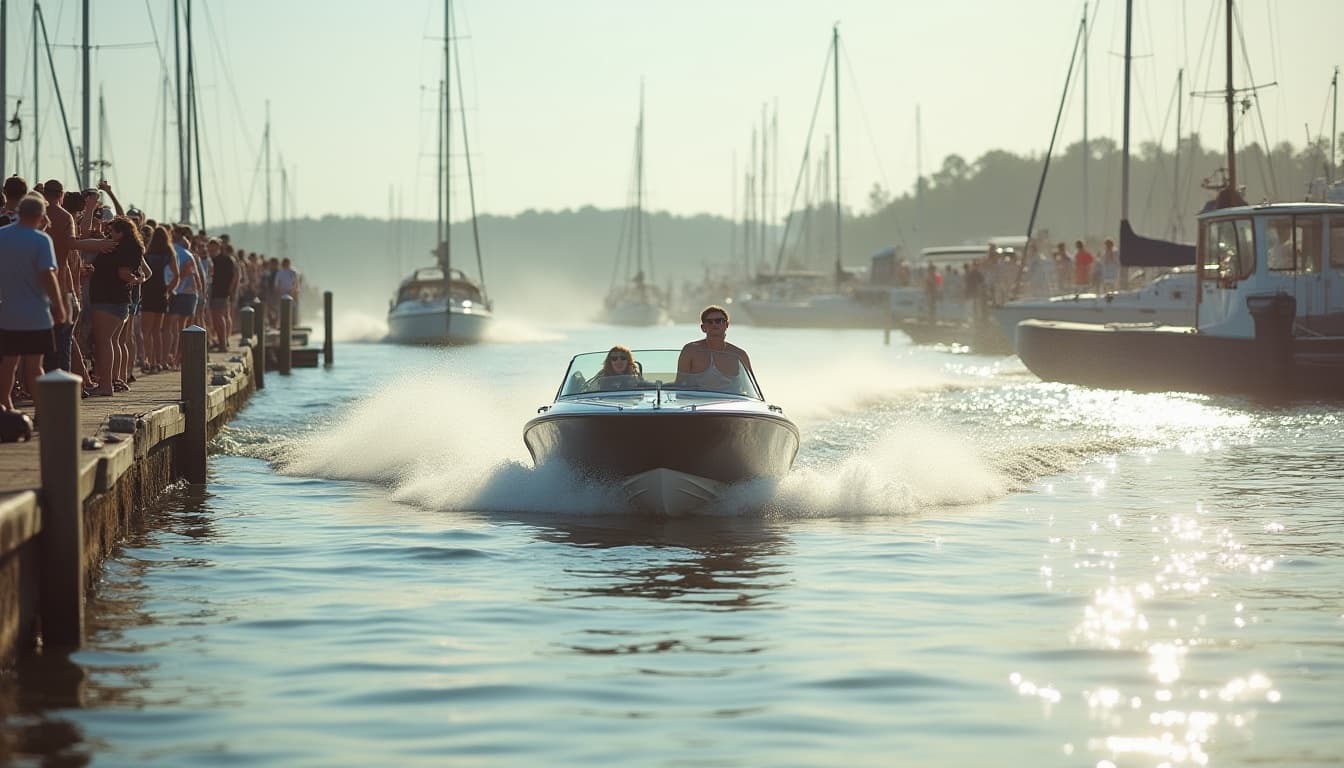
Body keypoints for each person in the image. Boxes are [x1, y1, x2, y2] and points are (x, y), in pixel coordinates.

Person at [0, 195, 67, 420]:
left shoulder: (2, 235)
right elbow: (47, 275)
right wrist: (59, 306)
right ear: (40, 216)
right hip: (36, 313)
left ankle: (5, 406)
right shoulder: (41, 240)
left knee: (8, 363)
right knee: (35, 367)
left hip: (8, 313)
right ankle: (40, 411)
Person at [676, 305, 753, 392]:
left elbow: (752, 388)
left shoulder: (739, 355)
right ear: (703, 328)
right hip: (697, 399)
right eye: (709, 322)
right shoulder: (691, 351)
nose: (714, 324)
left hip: (732, 400)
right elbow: (680, 384)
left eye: (719, 321)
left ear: (726, 325)